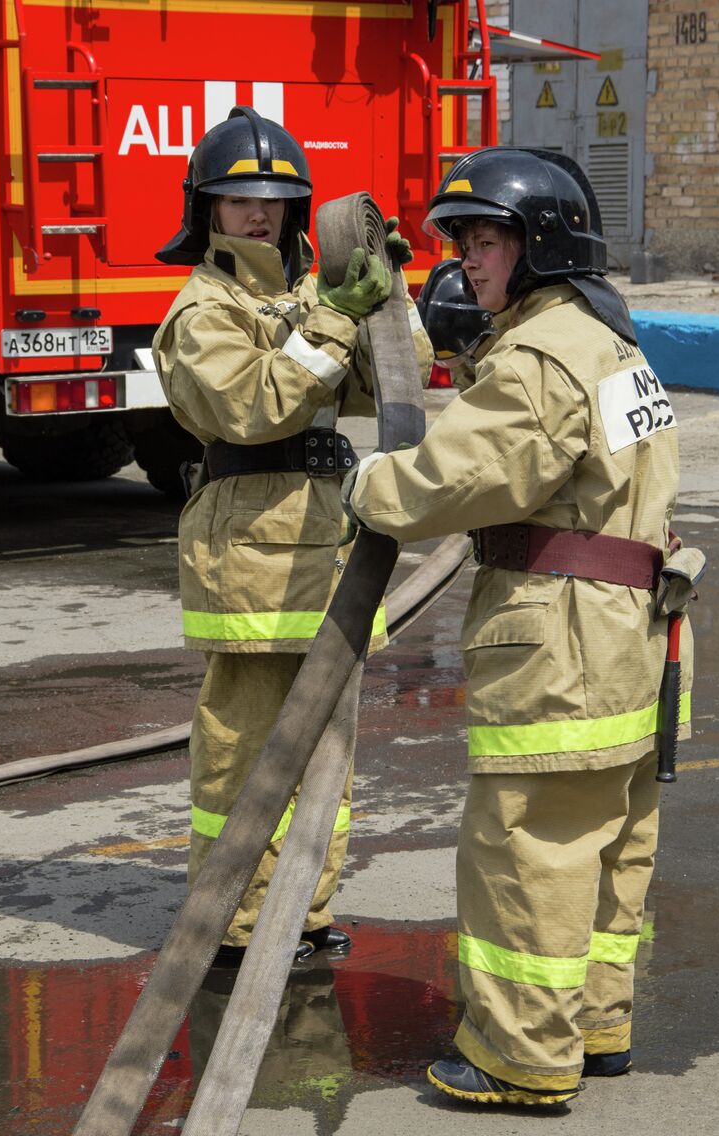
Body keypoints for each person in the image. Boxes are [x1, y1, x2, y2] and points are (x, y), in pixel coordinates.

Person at [344, 147, 695, 1107]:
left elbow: (449, 479)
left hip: (563, 645)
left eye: (486, 239)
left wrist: (363, 483)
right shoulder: (611, 343)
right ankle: (597, 1027)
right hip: (632, 633)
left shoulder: (542, 356)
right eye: (460, 241)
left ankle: (519, 1056)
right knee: (608, 845)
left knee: (525, 849)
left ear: (540, 244)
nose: (466, 261)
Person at [152, 106, 432, 965]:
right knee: (244, 753)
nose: (260, 213)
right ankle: (233, 921)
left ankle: (301, 912)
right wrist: (339, 321)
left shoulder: (311, 291)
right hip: (245, 553)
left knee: (324, 755)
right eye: (240, 200)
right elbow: (251, 406)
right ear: (207, 209)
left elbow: (399, 376)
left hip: (324, 542)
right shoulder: (204, 309)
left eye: (276, 199)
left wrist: (388, 297)